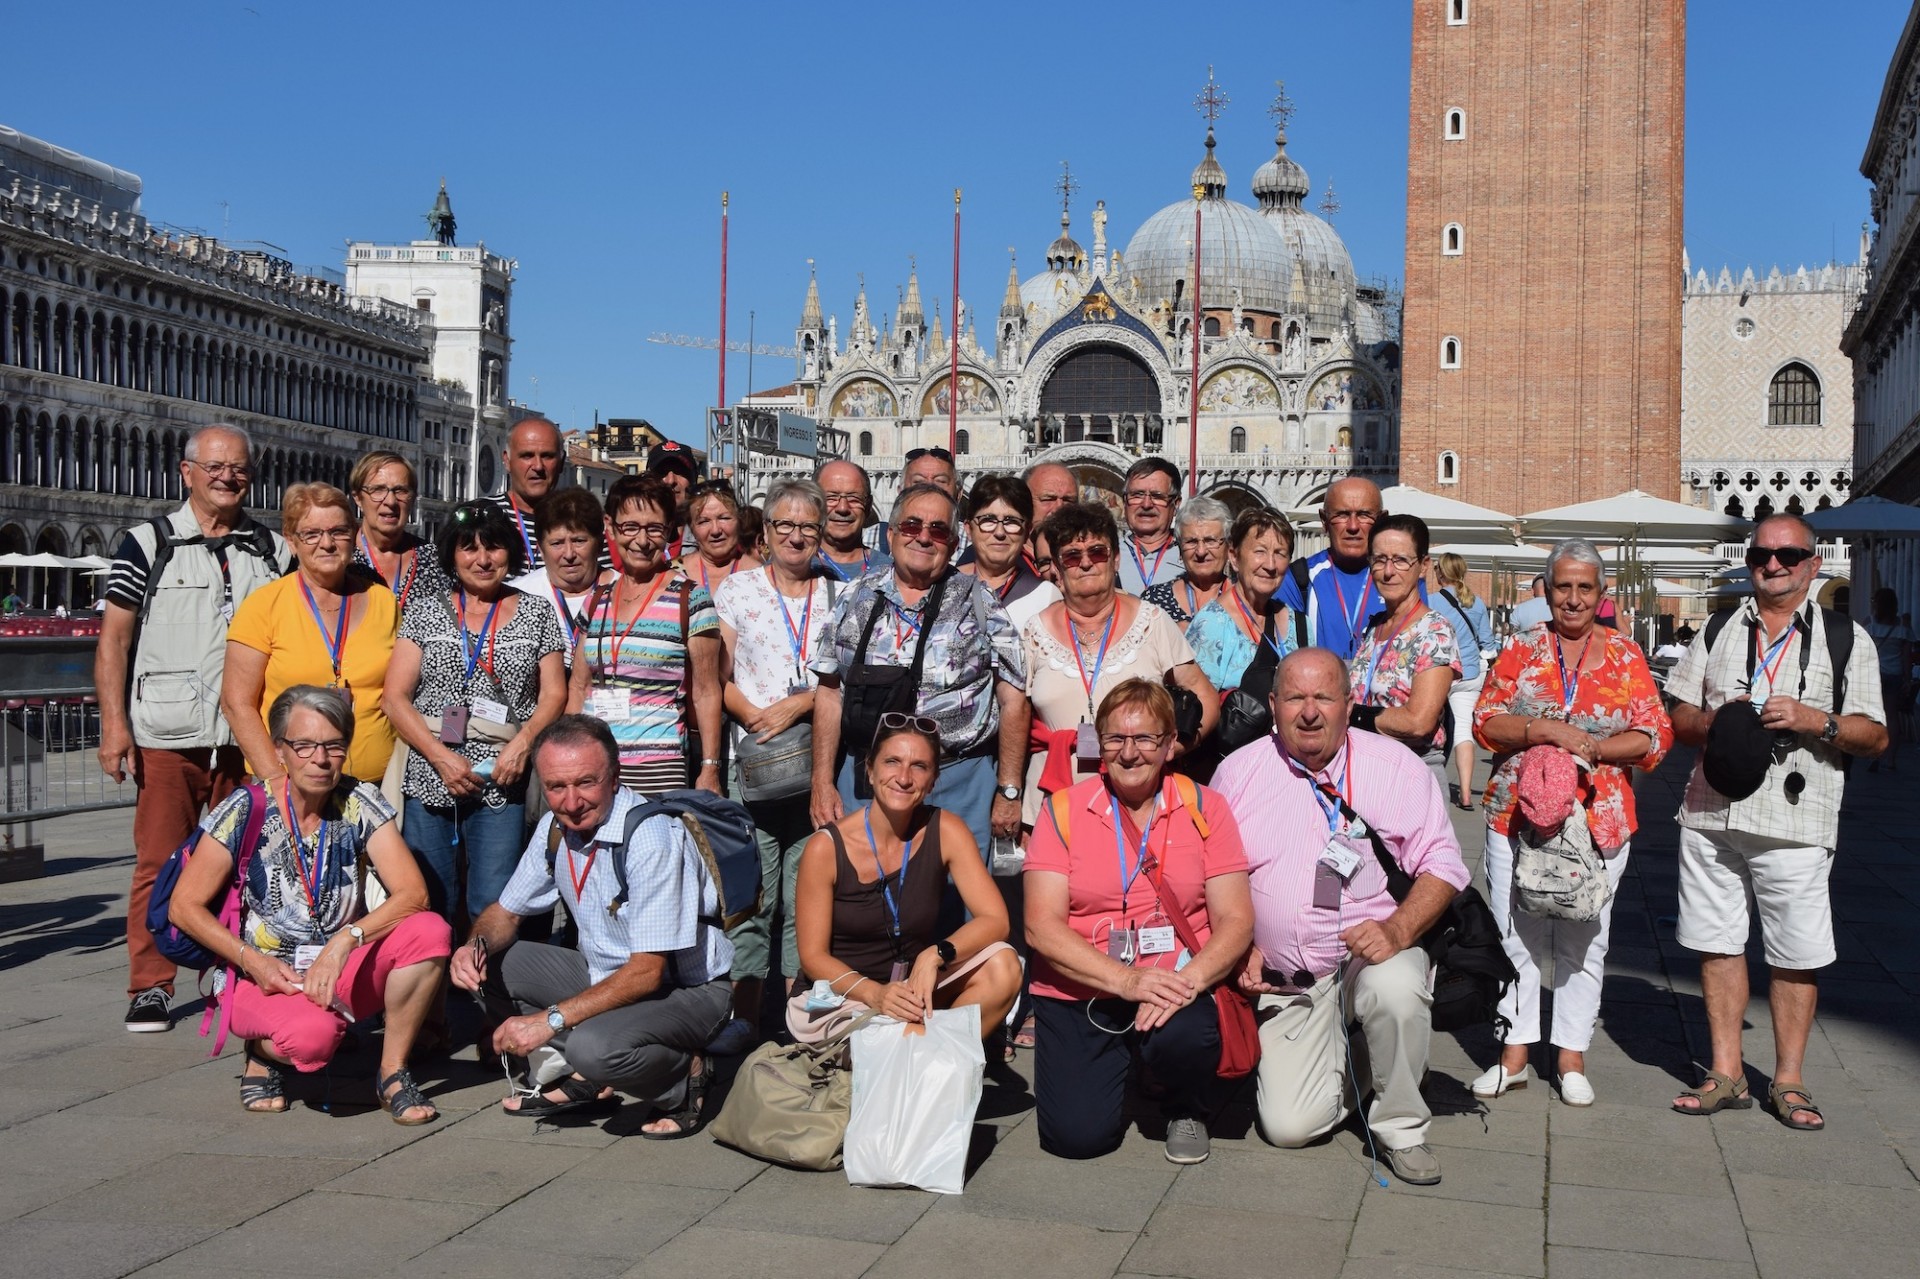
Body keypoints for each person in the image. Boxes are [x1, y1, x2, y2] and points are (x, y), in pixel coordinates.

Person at [1215, 649, 1470, 1186]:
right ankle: (1371, 1061)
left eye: (1324, 697)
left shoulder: (1392, 766)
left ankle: (1402, 1128)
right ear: (1273, 704)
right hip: (1287, 983)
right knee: (1287, 1127)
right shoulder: (1237, 773)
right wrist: (1235, 942)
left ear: (1348, 703)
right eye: (1295, 698)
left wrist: (1398, 929)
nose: (1310, 712)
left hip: (1368, 956)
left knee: (1395, 989)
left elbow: (1444, 864)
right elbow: (1211, 875)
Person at [1667, 514, 1886, 1131]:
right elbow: (1678, 713)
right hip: (1712, 809)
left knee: (1794, 951)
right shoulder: (1717, 628)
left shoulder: (1847, 638)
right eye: (1763, 553)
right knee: (1716, 941)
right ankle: (1726, 1073)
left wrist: (1815, 720)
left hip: (1797, 816)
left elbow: (1874, 734)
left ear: (1813, 565)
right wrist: (1718, 722)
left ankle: (1788, 1080)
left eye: (1789, 554)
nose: (1773, 564)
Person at [166, 686, 451, 1121]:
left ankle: (392, 1073)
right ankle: (262, 1054)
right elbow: (183, 907)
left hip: (336, 963)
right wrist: (254, 962)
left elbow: (415, 895)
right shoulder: (246, 808)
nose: (320, 759)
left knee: (431, 931)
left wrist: (346, 940)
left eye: (334, 746)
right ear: (280, 750)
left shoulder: (358, 801)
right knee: (313, 1042)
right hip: (262, 973)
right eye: (304, 745)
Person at [97, 423, 291, 1032]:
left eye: (238, 468)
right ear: (187, 473)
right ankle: (151, 984)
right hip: (167, 732)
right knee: (158, 862)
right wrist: (113, 725)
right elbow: (114, 641)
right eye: (214, 467)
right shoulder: (146, 543)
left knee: (246, 863)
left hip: (245, 739)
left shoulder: (273, 550)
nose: (227, 477)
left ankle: (231, 967)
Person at [452, 716, 734, 1133]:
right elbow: (507, 912)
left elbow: (646, 973)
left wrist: (547, 1020)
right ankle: (588, 1083)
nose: (570, 802)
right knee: (485, 965)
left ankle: (683, 1075)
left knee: (593, 1047)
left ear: (615, 777)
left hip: (685, 990)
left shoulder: (651, 838)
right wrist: (473, 946)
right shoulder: (556, 827)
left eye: (586, 782)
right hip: (604, 976)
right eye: (555, 787)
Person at [1470, 538, 1673, 1105]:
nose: (1574, 599)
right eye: (1564, 587)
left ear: (1601, 595)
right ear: (1547, 589)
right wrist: (1546, 732)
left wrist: (1596, 751)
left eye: (1586, 588)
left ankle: (1570, 1054)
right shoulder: (1521, 647)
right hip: (1517, 810)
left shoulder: (1627, 655)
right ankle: (1513, 1052)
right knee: (1515, 930)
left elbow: (1656, 734)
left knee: (1587, 934)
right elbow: (1487, 719)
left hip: (1599, 814)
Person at [1023, 679, 1254, 1163]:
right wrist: (1127, 981)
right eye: (1115, 739)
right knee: (1076, 1139)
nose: (1130, 753)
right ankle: (1123, 1062)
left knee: (1186, 1034)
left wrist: (1185, 982)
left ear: (1170, 744)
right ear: (1099, 745)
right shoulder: (1062, 809)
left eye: (1146, 738)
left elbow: (1235, 919)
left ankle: (1184, 1104)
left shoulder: (1205, 806)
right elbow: (1040, 926)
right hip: (1083, 982)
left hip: (1176, 977)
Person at [810, 483, 1029, 858]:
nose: (924, 538)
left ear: (955, 543)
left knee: (958, 903)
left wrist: (1009, 791)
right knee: (865, 895)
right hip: (866, 779)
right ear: (891, 534)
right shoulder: (854, 596)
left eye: (938, 530)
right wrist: (822, 781)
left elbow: (1014, 700)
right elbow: (830, 692)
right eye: (912, 526)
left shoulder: (980, 601)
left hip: (957, 780)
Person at [382, 502, 569, 925]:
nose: (482, 560)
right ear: (452, 553)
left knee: (493, 897)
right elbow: (395, 698)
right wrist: (440, 757)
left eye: (494, 548)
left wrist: (522, 745)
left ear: (511, 553)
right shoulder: (425, 610)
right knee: (430, 896)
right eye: (469, 548)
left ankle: (485, 985)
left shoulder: (537, 611)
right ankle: (434, 988)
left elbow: (554, 694)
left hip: (504, 773)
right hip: (432, 771)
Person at [792, 713, 1022, 1037]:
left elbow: (996, 920)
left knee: (1004, 966)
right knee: (900, 1038)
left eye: (919, 766)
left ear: (932, 780)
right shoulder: (826, 848)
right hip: (840, 998)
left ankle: (923, 1061)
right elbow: (813, 958)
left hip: (910, 990)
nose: (903, 777)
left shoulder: (947, 830)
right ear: (869, 770)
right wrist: (875, 994)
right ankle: (931, 1064)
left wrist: (936, 954)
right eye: (892, 762)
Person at [713, 479, 839, 1044]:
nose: (795, 535)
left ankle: (794, 1021)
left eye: (807, 527)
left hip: (816, 765)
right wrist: (758, 716)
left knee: (804, 895)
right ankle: (744, 1016)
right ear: (763, 532)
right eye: (783, 525)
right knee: (754, 894)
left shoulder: (841, 593)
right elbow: (720, 676)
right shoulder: (738, 590)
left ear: (821, 535)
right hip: (756, 762)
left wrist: (798, 704)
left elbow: (842, 680)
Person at [1022, 503, 1216, 827]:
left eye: (1097, 552)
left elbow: (1204, 695)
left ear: (1115, 559)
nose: (1085, 563)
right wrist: (1009, 793)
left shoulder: (1151, 622)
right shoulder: (1033, 631)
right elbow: (1015, 716)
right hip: (1051, 798)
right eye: (1072, 556)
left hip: (1138, 799)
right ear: (1057, 567)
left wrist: (1172, 748)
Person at [222, 484, 399, 787]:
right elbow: (236, 704)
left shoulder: (383, 602)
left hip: (374, 786)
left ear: (354, 535)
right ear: (291, 541)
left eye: (338, 531)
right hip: (290, 785)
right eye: (312, 534)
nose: (327, 543)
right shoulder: (264, 605)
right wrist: (276, 781)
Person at [567, 474, 724, 796]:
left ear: (669, 532)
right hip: (591, 767)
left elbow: (706, 692)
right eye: (630, 527)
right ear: (610, 527)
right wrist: (568, 755)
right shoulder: (596, 599)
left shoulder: (691, 600)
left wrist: (709, 768)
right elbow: (579, 686)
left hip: (658, 766)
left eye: (654, 528)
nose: (642, 540)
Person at [1348, 514, 1460, 785]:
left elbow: (1419, 721)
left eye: (1400, 560)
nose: (1388, 571)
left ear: (1422, 566)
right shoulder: (1374, 626)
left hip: (1410, 773)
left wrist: (1352, 714)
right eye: (1379, 560)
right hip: (1365, 769)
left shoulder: (1434, 630)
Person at [1187, 508, 1296, 694]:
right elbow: (1196, 709)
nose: (1270, 565)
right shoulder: (1212, 625)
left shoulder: (1299, 624)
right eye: (1260, 551)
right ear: (1234, 557)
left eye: (1280, 553)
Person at [507, 488, 617, 670]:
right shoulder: (517, 597)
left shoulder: (625, 591)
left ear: (599, 544)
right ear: (541, 549)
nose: (569, 554)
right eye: (557, 543)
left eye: (579, 541)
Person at [1277, 477, 1385, 660]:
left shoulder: (1401, 578)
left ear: (1382, 520)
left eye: (1364, 515)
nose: (1353, 526)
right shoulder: (1297, 579)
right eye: (1341, 515)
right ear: (1324, 521)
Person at [1430, 552, 1491, 810]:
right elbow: (1487, 644)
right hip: (1470, 674)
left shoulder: (1431, 602)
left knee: (1431, 730)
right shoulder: (1477, 603)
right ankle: (1465, 794)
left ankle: (1431, 789)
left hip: (1441, 672)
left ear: (1441, 573)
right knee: (1464, 731)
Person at [349, 450, 447, 610]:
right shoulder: (340, 559)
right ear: (358, 498)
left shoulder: (435, 561)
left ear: (413, 499)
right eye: (378, 490)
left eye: (401, 490)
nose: (391, 501)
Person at [960, 474, 1058, 631]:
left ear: (1027, 532)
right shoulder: (944, 588)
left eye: (1011, 521)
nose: (999, 532)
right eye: (988, 520)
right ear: (968, 529)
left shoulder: (1047, 597)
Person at [489, 417, 566, 572]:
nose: (538, 466)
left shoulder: (583, 522)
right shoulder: (481, 516)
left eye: (547, 456)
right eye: (527, 456)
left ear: (562, 461)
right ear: (507, 460)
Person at [1143, 496, 1232, 629]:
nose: (1201, 551)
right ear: (1179, 549)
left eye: (1210, 541)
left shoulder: (1245, 600)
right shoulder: (1154, 600)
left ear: (1228, 547)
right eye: (1191, 542)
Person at [1115, 458, 1185, 595]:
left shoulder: (1191, 556)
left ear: (1176, 504)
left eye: (1157, 496)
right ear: (1124, 501)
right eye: (1137, 495)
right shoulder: (1106, 555)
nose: (1146, 504)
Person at [815, 459, 891, 581]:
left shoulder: (890, 573)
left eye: (854, 498)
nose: (843, 508)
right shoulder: (789, 569)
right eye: (831, 497)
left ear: (869, 505)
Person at [1865, 587, 1913, 771]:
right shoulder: (1903, 627)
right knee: (1892, 718)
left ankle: (1873, 755)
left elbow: (1859, 646)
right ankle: (1891, 759)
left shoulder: (1870, 623)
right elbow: (1906, 657)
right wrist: (1908, 680)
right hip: (1894, 675)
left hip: (1873, 675)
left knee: (1873, 717)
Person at [679, 481, 753, 595]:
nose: (715, 530)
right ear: (691, 528)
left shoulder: (762, 577)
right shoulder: (673, 573)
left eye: (724, 518)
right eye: (704, 521)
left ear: (739, 520)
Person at [1024, 461, 1079, 563]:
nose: (1059, 508)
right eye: (1048, 499)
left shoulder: (1089, 562)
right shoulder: (1005, 563)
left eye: (1068, 500)